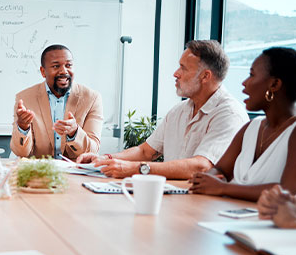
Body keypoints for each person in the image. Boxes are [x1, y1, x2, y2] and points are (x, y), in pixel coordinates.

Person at [77, 40, 248, 179]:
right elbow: (145, 151)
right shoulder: (179, 111)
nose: (176, 73)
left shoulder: (229, 115)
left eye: (183, 68)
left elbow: (201, 166)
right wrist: (105, 159)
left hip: (206, 207)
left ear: (205, 76)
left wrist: (137, 169)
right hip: (175, 196)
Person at [190, 47, 296, 201]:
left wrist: (222, 187)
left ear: (274, 84)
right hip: (228, 216)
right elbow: (220, 170)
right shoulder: (251, 127)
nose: (244, 83)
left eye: (251, 75)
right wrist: (205, 179)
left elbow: (289, 191)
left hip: (270, 222)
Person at [10, 44, 103, 160]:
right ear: (43, 72)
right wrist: (23, 127)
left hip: (77, 171)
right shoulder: (25, 98)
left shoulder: (92, 98)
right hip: (40, 171)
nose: (64, 71)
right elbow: (21, 153)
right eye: (56, 66)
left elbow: (93, 150)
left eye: (68, 65)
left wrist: (74, 132)